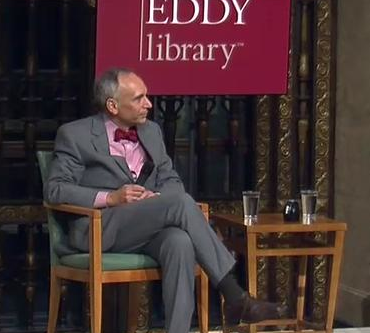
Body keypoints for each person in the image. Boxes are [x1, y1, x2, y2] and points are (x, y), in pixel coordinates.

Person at [44, 67, 285, 333]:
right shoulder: (75, 135)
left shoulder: (151, 132)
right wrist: (111, 198)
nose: (148, 103)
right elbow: (56, 190)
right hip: (99, 227)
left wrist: (155, 198)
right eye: (138, 98)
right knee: (181, 203)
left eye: (147, 96)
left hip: (145, 228)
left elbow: (171, 180)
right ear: (112, 105)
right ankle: (235, 295)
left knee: (179, 241)